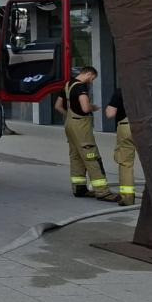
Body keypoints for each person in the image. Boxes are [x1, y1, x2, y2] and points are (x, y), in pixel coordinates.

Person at [54, 65, 116, 201]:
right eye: (92, 78)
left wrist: (70, 116)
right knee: (91, 156)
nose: (92, 81)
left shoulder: (67, 85)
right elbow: (85, 107)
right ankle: (103, 192)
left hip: (70, 124)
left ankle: (79, 188)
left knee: (76, 156)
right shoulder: (81, 87)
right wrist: (93, 107)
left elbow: (58, 106)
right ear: (88, 74)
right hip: (81, 126)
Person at [104, 87, 136, 207]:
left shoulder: (122, 90)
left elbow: (110, 114)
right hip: (148, 127)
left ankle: (127, 198)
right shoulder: (151, 87)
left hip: (127, 126)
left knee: (126, 163)